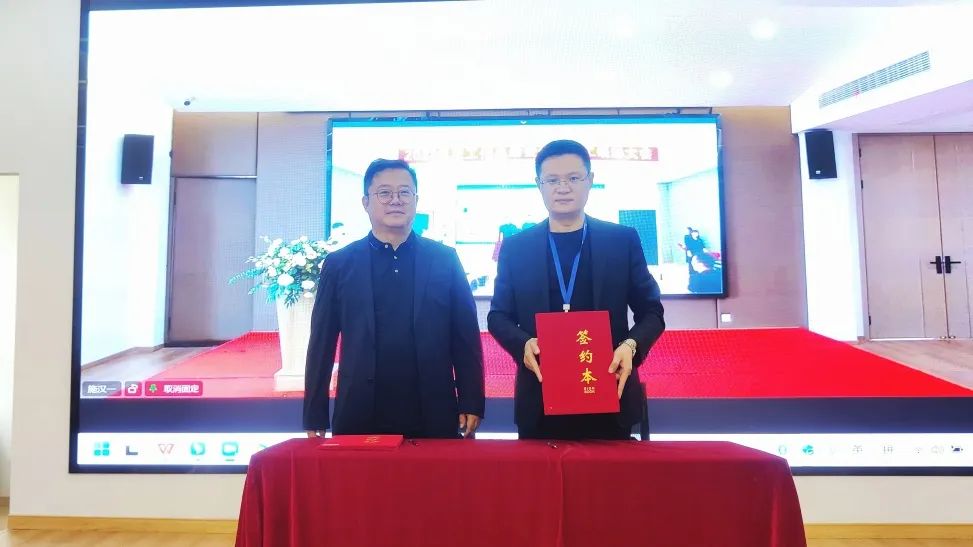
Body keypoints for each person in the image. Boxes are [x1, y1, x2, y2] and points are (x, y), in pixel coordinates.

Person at [488, 140, 665, 440]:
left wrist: (630, 346)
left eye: (573, 178)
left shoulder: (621, 240)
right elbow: (498, 316)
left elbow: (651, 312)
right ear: (539, 185)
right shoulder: (517, 248)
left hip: (610, 393)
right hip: (540, 400)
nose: (563, 188)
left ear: (590, 180)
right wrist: (523, 344)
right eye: (552, 180)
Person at [304, 158, 485, 439]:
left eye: (404, 192)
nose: (396, 200)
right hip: (360, 407)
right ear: (366, 202)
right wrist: (314, 412)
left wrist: (471, 399)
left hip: (433, 406)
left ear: (416, 200)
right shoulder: (340, 264)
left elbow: (465, 336)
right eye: (384, 193)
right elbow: (321, 342)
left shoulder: (444, 259)